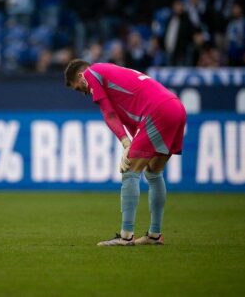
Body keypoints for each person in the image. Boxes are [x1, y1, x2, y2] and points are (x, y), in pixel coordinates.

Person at [64, 59, 186, 246]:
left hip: (158, 110)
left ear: (81, 76)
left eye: (79, 88)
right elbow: (129, 119)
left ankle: (126, 236)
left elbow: (109, 114)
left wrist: (126, 143)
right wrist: (129, 143)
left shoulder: (91, 73)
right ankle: (154, 235)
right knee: (153, 172)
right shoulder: (111, 73)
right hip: (175, 107)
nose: (84, 92)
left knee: (130, 170)